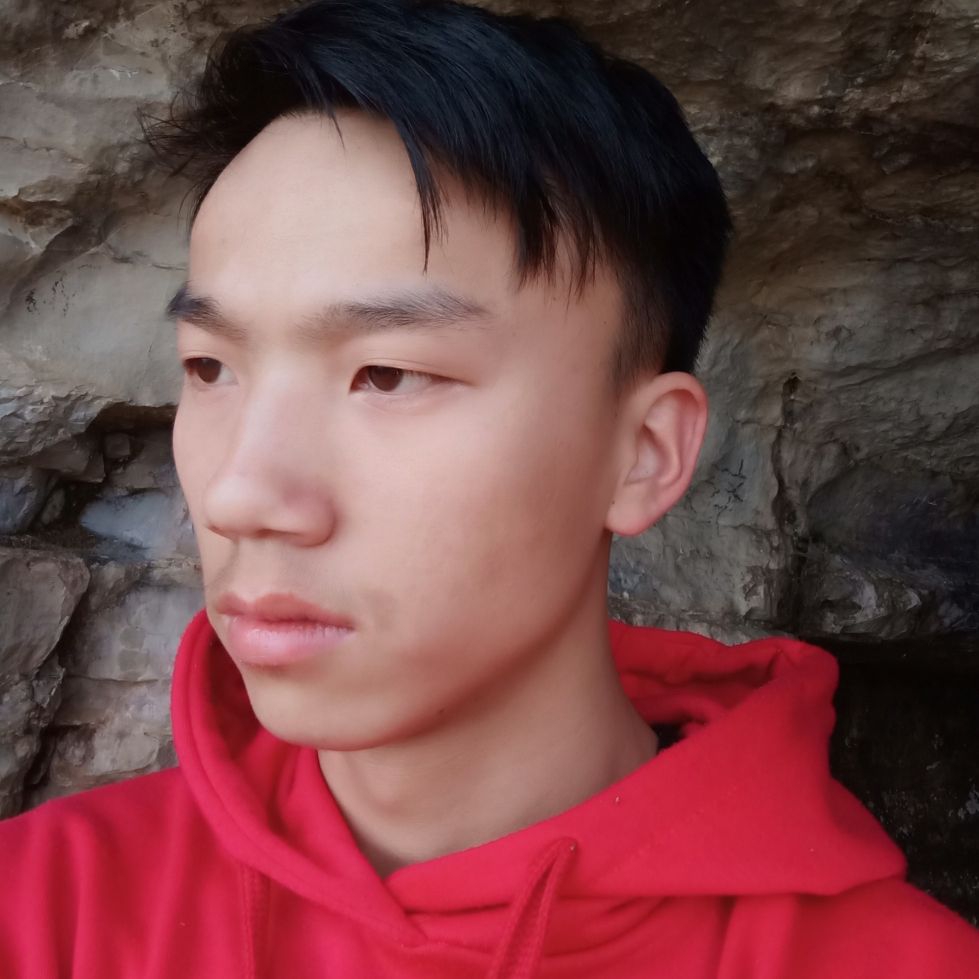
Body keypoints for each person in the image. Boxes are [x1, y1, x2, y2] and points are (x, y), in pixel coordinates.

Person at [2, 0, 977, 975]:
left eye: (388, 374)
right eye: (211, 367)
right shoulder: (49, 909)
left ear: (642, 453)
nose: (239, 496)